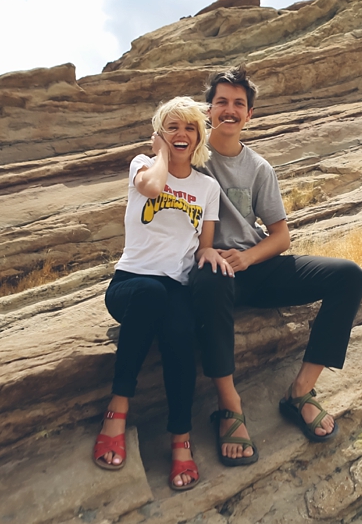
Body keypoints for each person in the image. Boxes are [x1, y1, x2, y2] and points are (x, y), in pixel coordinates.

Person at [190, 67, 362, 467]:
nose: (230, 110)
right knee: (210, 279)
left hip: (257, 266)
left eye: (239, 104)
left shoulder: (258, 168)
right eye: (222, 102)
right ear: (208, 109)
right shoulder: (193, 157)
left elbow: (281, 236)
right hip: (214, 273)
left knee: (349, 276)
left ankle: (300, 392)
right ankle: (229, 406)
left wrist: (248, 257)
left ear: (249, 114)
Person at [94, 97, 232, 490]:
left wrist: (212, 254)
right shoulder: (143, 165)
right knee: (152, 294)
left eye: (190, 127)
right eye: (172, 127)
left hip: (176, 288)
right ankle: (118, 408)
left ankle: (180, 438)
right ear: (160, 134)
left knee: (181, 333)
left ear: (199, 136)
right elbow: (153, 188)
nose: (181, 134)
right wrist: (160, 154)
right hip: (131, 285)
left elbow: (205, 244)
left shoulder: (207, 187)